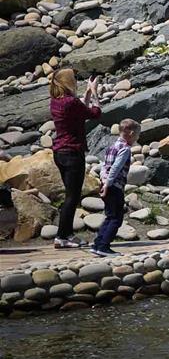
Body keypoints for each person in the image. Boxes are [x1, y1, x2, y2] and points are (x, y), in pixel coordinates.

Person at [49, 69, 100, 249]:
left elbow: (79, 113)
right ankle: (62, 236)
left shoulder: (56, 101)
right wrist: (94, 93)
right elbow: (94, 114)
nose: (76, 81)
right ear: (67, 81)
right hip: (72, 153)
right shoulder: (70, 102)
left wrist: (85, 95)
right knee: (72, 197)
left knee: (70, 195)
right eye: (74, 79)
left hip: (59, 153)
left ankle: (67, 234)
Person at [91, 118, 141, 257]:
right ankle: (104, 246)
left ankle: (97, 244)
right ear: (130, 133)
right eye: (137, 135)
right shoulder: (125, 149)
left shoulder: (111, 147)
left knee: (109, 216)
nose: (137, 138)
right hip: (114, 186)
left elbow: (104, 167)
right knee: (116, 218)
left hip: (105, 183)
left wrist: (103, 180)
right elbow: (115, 168)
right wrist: (108, 184)